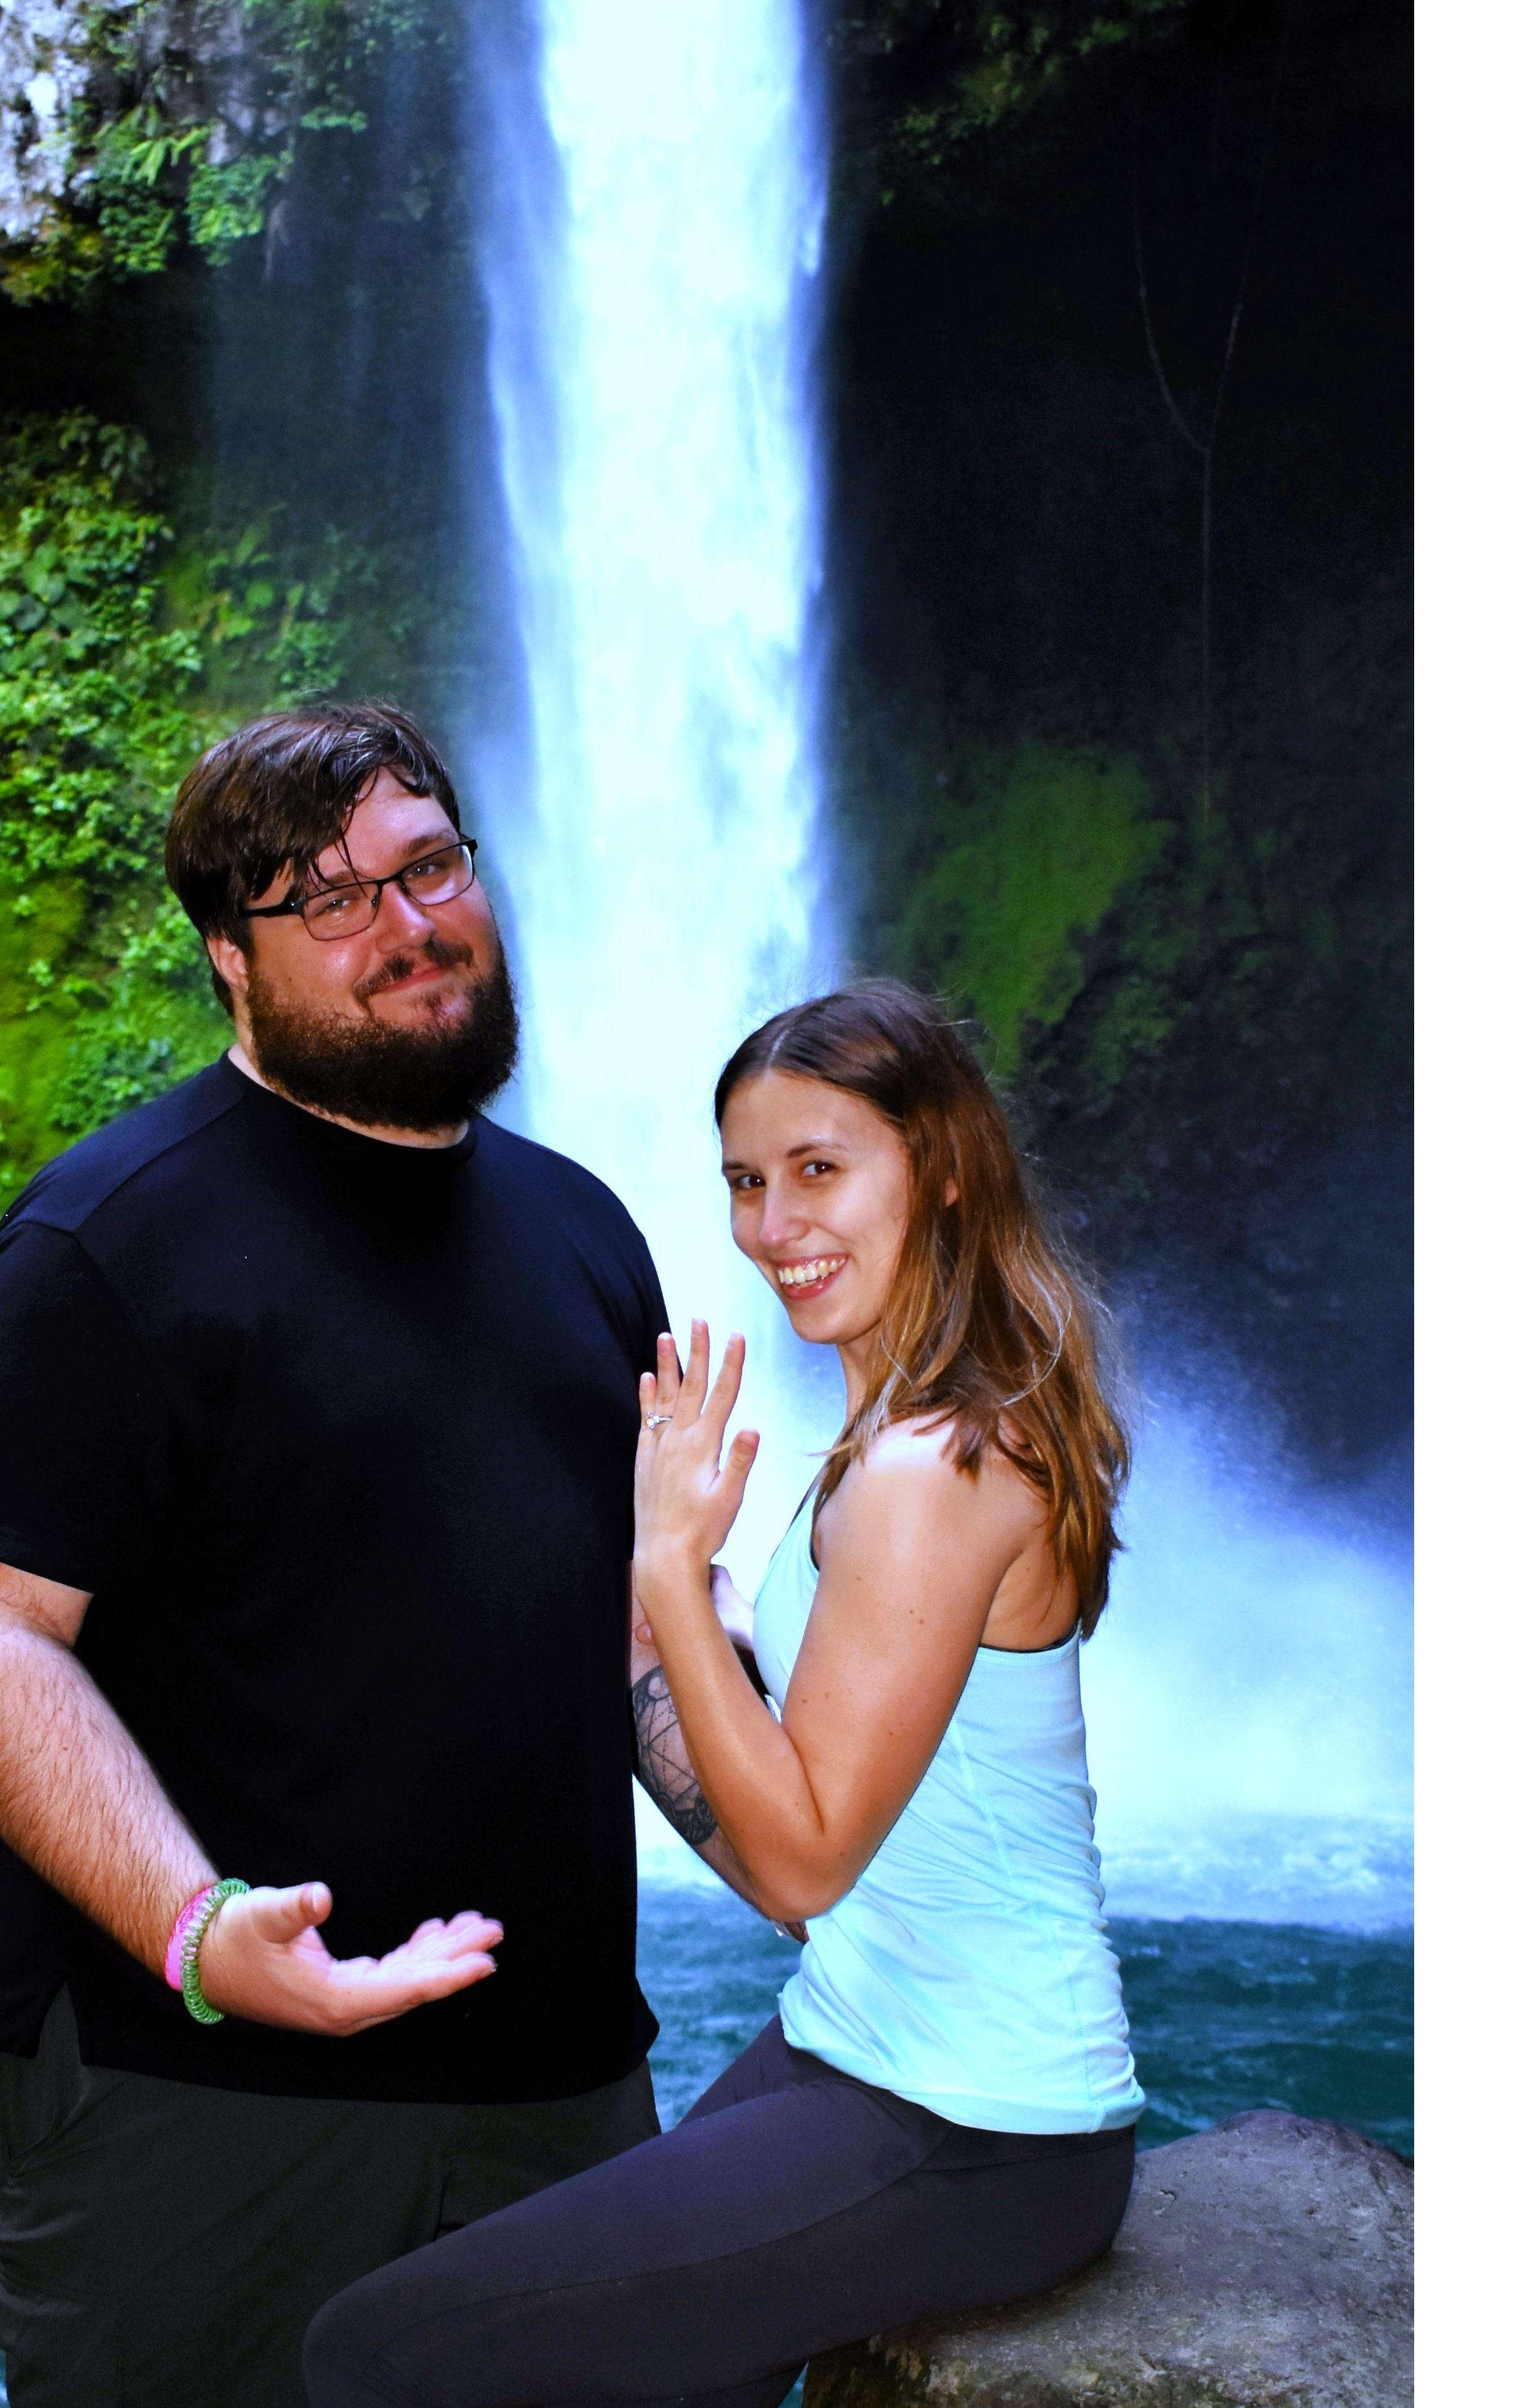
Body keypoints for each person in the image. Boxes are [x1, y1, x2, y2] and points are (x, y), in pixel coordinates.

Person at [0, 699, 684, 2408]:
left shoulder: (586, 1233)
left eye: (425, 865)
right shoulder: (107, 1244)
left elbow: (627, 1640)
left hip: (555, 2088)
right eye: (325, 900)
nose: (404, 925)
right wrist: (197, 1929)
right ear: (227, 962)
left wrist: (789, 1829)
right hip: (196, 2093)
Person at [304, 979, 1144, 2408]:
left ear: (938, 1164)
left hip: (975, 2119)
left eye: (820, 1170)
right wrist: (680, 1619)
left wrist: (674, 1572)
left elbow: (800, 1863)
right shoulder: (941, 1418)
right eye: (747, 1183)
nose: (772, 1227)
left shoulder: (927, 1473)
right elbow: (815, 1784)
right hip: (868, 2038)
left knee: (372, 2354)